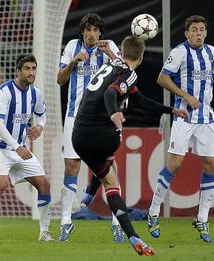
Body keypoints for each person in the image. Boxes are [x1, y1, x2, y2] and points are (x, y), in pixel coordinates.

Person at [72, 35, 188, 256]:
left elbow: (141, 100)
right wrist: (114, 112)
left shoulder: (111, 65)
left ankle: (89, 195)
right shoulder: (130, 74)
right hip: (101, 135)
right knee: (113, 158)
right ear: (142, 57)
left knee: (106, 172)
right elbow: (110, 93)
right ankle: (132, 234)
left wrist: (171, 111)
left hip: (78, 137)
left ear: (122, 52)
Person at [147, 15, 214, 243]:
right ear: (187, 34)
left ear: (205, 33)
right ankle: (152, 213)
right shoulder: (180, 52)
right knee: (175, 163)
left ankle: (202, 218)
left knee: (211, 164)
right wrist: (185, 96)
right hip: (184, 115)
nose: (199, 33)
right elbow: (162, 78)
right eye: (194, 29)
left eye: (202, 29)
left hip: (206, 117)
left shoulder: (211, 52)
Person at [0, 54, 54, 242]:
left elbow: (42, 115)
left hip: (19, 148)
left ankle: (44, 232)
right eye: (27, 68)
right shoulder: (3, 92)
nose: (31, 72)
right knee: (1, 184)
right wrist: (17, 147)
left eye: (34, 68)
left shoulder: (36, 93)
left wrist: (40, 126)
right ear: (18, 71)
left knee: (44, 184)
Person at [56, 13, 124, 242]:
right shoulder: (72, 47)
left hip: (102, 118)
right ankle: (66, 221)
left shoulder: (109, 47)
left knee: (108, 170)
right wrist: (74, 62)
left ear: (100, 33)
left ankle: (117, 223)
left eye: (96, 30)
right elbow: (59, 79)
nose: (92, 34)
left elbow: (125, 73)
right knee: (71, 167)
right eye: (88, 30)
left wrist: (111, 55)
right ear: (82, 32)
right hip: (75, 117)